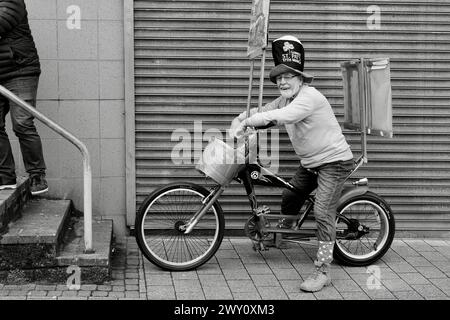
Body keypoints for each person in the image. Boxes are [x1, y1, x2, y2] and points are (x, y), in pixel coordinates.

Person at [230, 35, 354, 292]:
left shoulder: (310, 97)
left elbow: (282, 117)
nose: (283, 81)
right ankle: (283, 236)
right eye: (278, 78)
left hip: (334, 162)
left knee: (322, 212)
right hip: (310, 162)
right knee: (290, 196)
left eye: (289, 76)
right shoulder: (285, 98)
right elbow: (263, 110)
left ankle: (322, 271)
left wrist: (250, 124)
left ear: (301, 78)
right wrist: (241, 117)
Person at [0, 0, 48, 195]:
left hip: (20, 70)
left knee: (22, 123)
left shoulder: (12, 2)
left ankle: (37, 175)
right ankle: (5, 175)